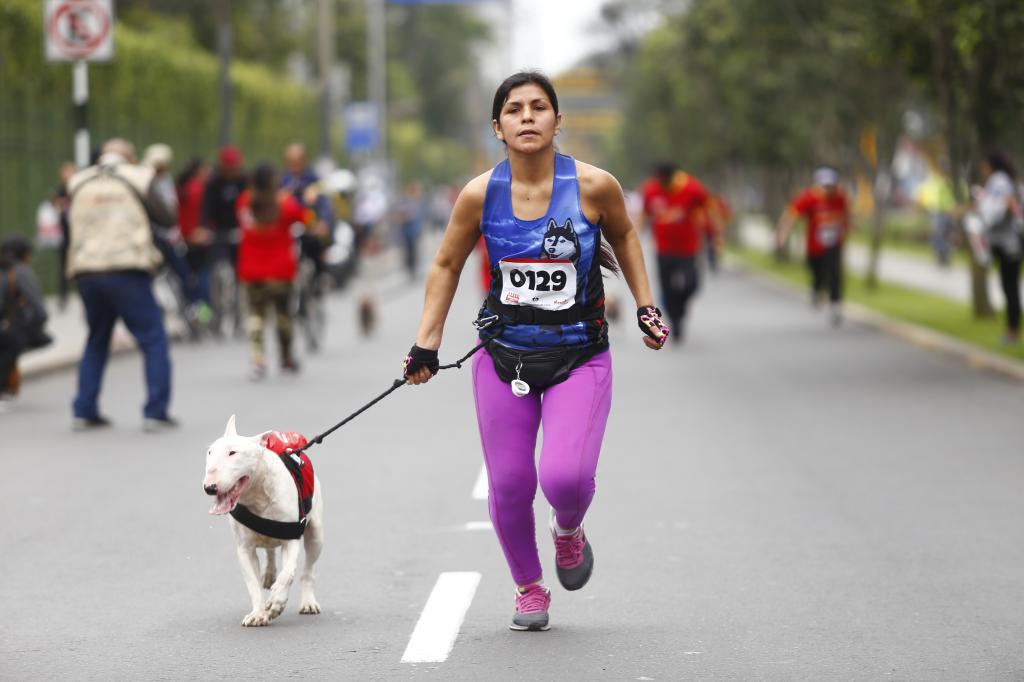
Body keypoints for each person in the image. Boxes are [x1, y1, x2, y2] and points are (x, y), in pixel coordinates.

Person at [402, 71, 669, 632]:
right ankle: (528, 587)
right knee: (509, 483)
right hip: (503, 357)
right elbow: (446, 263)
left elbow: (624, 236)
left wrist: (646, 306)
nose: (527, 117)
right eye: (514, 109)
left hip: (580, 355)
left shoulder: (595, 186)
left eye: (539, 107)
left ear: (557, 121)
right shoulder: (480, 194)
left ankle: (568, 530)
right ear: (497, 127)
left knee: (565, 479)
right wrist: (426, 343)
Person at [66, 138, 178, 432]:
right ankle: (155, 411)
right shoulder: (140, 177)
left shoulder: (78, 180)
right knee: (153, 337)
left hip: (87, 270)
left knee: (97, 338)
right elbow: (167, 218)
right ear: (129, 158)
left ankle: (83, 409)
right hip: (127, 269)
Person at [235, 164, 311, 379]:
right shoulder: (285, 202)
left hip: (251, 269)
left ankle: (258, 359)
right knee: (284, 316)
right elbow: (306, 218)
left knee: (255, 315)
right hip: (280, 270)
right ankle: (286, 357)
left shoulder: (244, 202)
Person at [640, 162, 713, 343]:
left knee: (692, 284)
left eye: (665, 180)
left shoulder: (691, 188)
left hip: (688, 248)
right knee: (666, 288)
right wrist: (634, 234)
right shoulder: (651, 190)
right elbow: (645, 213)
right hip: (663, 249)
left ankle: (681, 308)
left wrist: (713, 233)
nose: (662, 184)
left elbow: (707, 208)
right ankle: (675, 320)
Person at [776, 167, 851, 326]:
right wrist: (782, 235)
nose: (829, 189)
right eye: (825, 186)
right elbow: (790, 215)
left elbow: (846, 214)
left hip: (834, 244)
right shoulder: (809, 198)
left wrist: (849, 226)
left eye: (832, 185)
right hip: (815, 247)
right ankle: (817, 290)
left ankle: (835, 307)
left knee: (835, 273)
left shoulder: (840, 197)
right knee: (817, 272)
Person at [968, 151, 1023, 344]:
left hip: (1009, 245)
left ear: (991, 164)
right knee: (1009, 286)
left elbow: (998, 211)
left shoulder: (999, 181)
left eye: (985, 164)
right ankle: (1012, 329)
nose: (983, 168)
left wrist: (983, 205)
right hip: (1007, 244)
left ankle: (1012, 331)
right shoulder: (1003, 180)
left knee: (1010, 287)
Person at [0, 236, 50, 404]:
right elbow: (38, 307)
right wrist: (36, 323)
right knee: (14, 344)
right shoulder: (20, 271)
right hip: (10, 327)